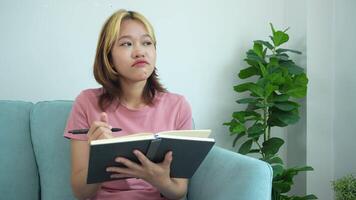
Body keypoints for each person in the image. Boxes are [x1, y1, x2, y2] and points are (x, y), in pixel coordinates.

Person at [63, 9, 192, 200]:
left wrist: (158, 179)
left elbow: (179, 191)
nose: (140, 51)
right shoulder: (86, 102)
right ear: (109, 58)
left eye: (147, 43)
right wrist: (102, 155)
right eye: (127, 44)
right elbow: (81, 194)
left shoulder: (178, 106)